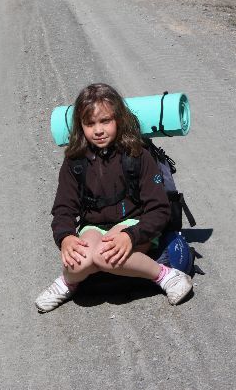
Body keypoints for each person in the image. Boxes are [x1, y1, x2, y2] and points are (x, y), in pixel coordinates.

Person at [35, 83, 193, 313]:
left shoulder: (138, 155)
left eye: (105, 121)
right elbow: (63, 208)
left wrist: (131, 236)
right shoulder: (74, 161)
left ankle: (166, 276)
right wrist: (66, 237)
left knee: (103, 256)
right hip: (93, 227)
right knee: (79, 260)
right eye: (90, 123)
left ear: (119, 119)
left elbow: (159, 209)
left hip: (135, 224)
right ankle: (68, 282)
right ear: (80, 125)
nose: (98, 130)